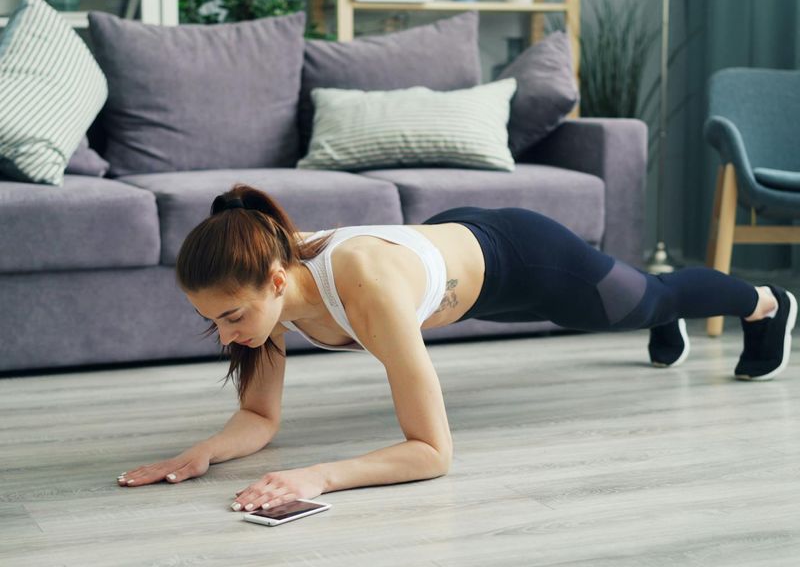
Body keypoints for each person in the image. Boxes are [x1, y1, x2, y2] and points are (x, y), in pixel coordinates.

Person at [116, 183, 797, 513]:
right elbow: (261, 421)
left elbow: (433, 452)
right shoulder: (262, 290)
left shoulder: (365, 286)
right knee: (629, 306)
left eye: (232, 316)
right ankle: (653, 320)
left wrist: (317, 476)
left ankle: (766, 304)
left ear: (275, 279)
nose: (227, 334)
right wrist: (200, 452)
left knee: (653, 297)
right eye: (213, 321)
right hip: (452, 261)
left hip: (523, 257)